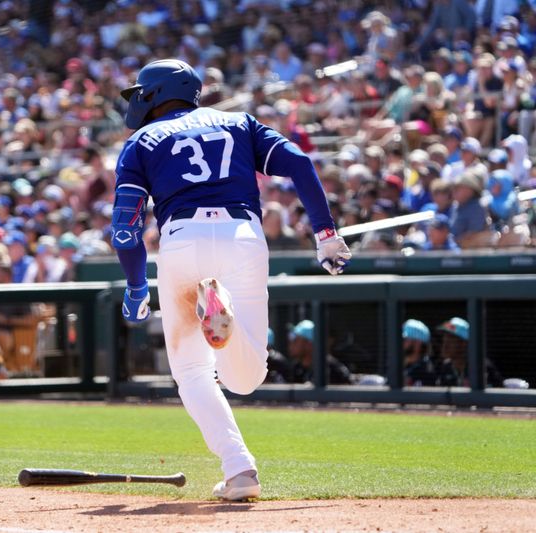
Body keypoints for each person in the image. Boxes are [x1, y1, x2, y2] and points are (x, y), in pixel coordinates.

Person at [112, 59, 350, 501]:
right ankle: (222, 316)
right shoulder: (239, 121)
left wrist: (135, 286)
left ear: (158, 93)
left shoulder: (141, 141)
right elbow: (298, 162)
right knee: (245, 379)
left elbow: (125, 230)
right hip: (243, 235)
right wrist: (326, 236)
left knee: (192, 372)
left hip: (182, 241)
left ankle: (240, 469)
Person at [287, 320, 353, 386]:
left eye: (295, 340)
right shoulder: (295, 368)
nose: (291, 344)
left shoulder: (331, 370)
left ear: (309, 344)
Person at [402, 319, 437, 386]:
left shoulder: (425, 371)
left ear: (417, 343)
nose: (401, 343)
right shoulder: (403, 366)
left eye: (405, 339)